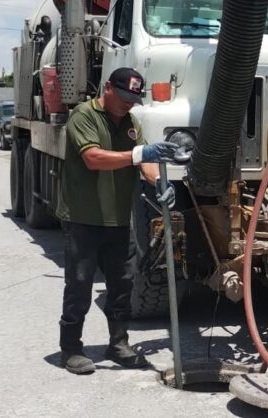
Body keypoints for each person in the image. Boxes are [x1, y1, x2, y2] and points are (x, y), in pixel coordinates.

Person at [56, 67, 179, 375]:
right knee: (80, 286)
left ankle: (119, 343)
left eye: (134, 99)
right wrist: (138, 154)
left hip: (117, 220)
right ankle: (71, 349)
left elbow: (145, 162)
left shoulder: (131, 123)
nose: (129, 104)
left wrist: (159, 183)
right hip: (84, 219)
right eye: (124, 97)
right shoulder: (83, 116)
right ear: (107, 88)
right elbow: (93, 158)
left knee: (122, 285)